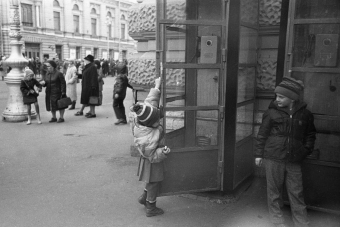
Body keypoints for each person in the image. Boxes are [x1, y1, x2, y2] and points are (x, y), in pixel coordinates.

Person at [255, 77, 316, 227]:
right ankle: (277, 222)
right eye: (277, 96)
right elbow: (262, 134)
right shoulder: (271, 113)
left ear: (292, 98)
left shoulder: (305, 114)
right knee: (274, 192)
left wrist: (305, 150)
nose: (277, 99)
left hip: (294, 160)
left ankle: (302, 223)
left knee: (297, 193)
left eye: (281, 97)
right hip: (273, 158)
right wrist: (258, 154)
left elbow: (310, 134)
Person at [130, 77, 170, 217]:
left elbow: (150, 100)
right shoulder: (147, 139)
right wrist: (163, 151)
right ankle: (151, 207)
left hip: (150, 158)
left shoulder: (144, 115)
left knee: (151, 181)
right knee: (154, 183)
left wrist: (157, 86)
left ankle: (143, 198)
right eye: (156, 121)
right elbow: (153, 155)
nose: (158, 121)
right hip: (152, 160)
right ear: (150, 124)